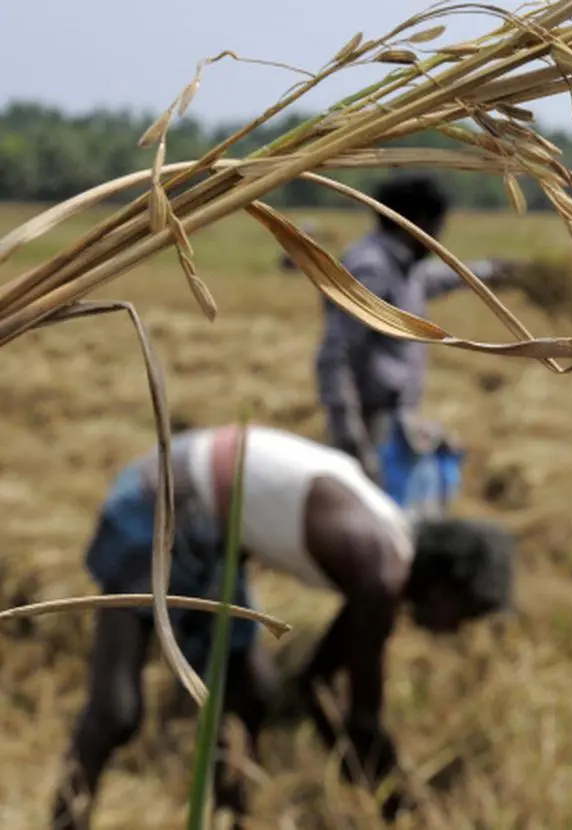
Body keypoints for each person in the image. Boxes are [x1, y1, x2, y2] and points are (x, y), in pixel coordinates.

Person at [51, 422, 516, 830]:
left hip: (213, 528)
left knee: (250, 693)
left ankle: (231, 817)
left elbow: (318, 684)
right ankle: (65, 821)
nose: (457, 630)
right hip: (164, 499)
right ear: (443, 590)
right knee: (116, 712)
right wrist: (407, 810)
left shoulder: (386, 548)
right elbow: (362, 721)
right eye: (464, 614)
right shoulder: (377, 571)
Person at [315, 172, 527, 485]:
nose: (438, 238)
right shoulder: (370, 269)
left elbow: (434, 278)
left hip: (395, 421)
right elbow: (337, 355)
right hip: (368, 425)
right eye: (437, 227)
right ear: (417, 221)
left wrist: (491, 271)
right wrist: (351, 438)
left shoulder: (405, 265)